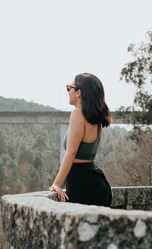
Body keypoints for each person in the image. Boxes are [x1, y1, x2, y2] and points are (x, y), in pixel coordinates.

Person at [49, 73, 112, 206]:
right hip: (96, 183)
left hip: (83, 185)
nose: (67, 91)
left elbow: (71, 153)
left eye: (69, 87)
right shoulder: (95, 119)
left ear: (79, 93)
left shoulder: (77, 113)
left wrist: (56, 184)